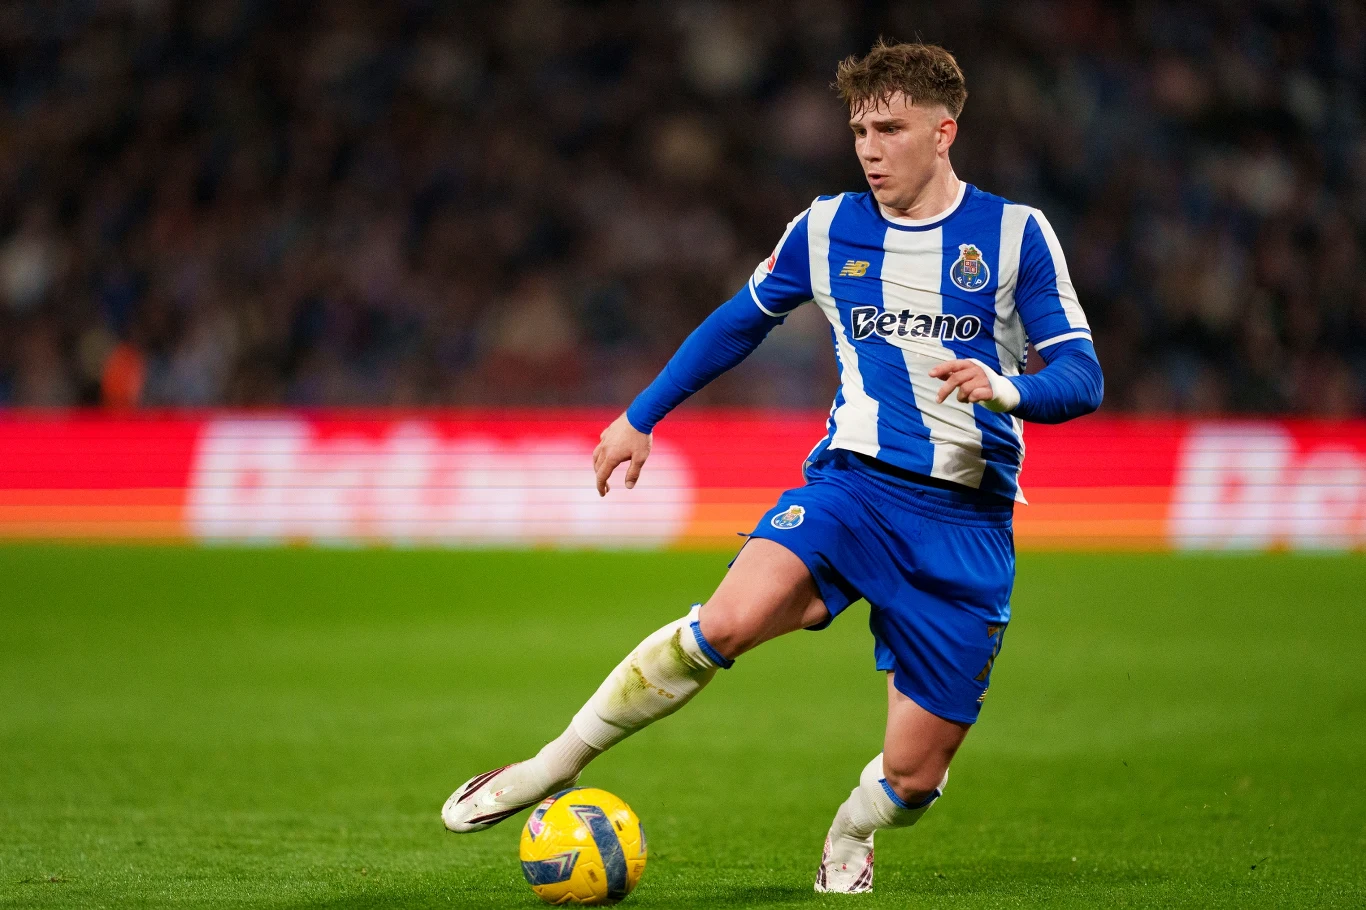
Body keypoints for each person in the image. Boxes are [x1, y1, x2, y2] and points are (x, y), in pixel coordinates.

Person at [442, 39, 1103, 894]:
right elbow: (739, 321)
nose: (869, 150)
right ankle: (551, 764)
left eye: (890, 130)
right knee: (724, 622)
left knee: (913, 781)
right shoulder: (826, 228)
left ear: (944, 132)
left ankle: (852, 829)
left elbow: (1081, 376)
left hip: (966, 525)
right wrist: (641, 416)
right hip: (854, 489)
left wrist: (1008, 389)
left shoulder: (1014, 235)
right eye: (859, 131)